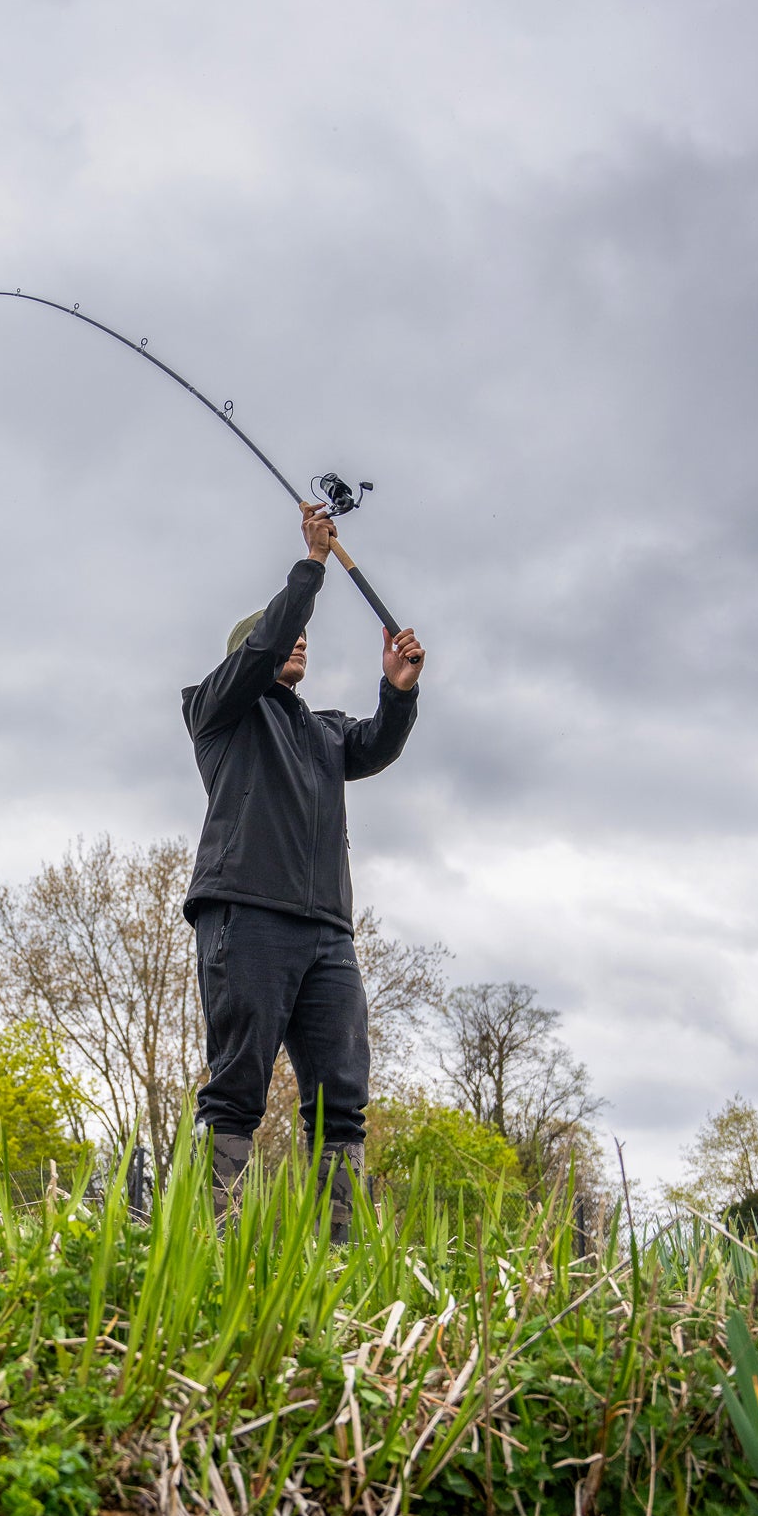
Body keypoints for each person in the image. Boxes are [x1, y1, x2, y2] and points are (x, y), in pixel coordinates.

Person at [181, 500, 425, 1235]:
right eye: (286, 636)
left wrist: (399, 689)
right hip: (245, 918)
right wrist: (312, 566)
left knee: (342, 1099)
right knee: (237, 1091)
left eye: (304, 639)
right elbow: (260, 652)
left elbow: (377, 744)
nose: (300, 645)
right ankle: (212, 1245)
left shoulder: (324, 733)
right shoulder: (218, 710)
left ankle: (335, 1258)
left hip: (327, 936)